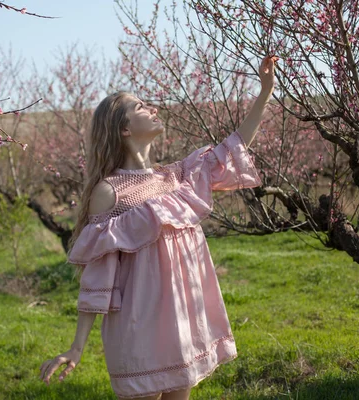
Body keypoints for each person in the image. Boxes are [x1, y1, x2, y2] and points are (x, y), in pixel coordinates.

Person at [39, 56, 276, 399]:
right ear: (124, 128)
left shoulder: (176, 177)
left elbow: (233, 147)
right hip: (138, 326)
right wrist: (76, 346)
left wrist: (265, 91)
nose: (152, 109)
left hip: (181, 320)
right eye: (140, 106)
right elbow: (98, 275)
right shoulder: (110, 192)